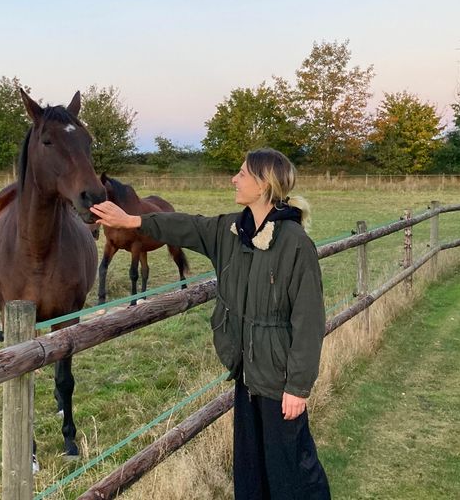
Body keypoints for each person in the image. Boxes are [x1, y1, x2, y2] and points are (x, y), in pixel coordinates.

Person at [90, 148, 330, 500]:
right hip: (245, 374)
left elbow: (308, 320)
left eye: (242, 173)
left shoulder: (295, 244)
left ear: (264, 184)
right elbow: (187, 225)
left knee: (292, 471)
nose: (234, 178)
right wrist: (133, 221)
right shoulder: (230, 231)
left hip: (280, 382)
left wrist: (298, 386)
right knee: (250, 469)